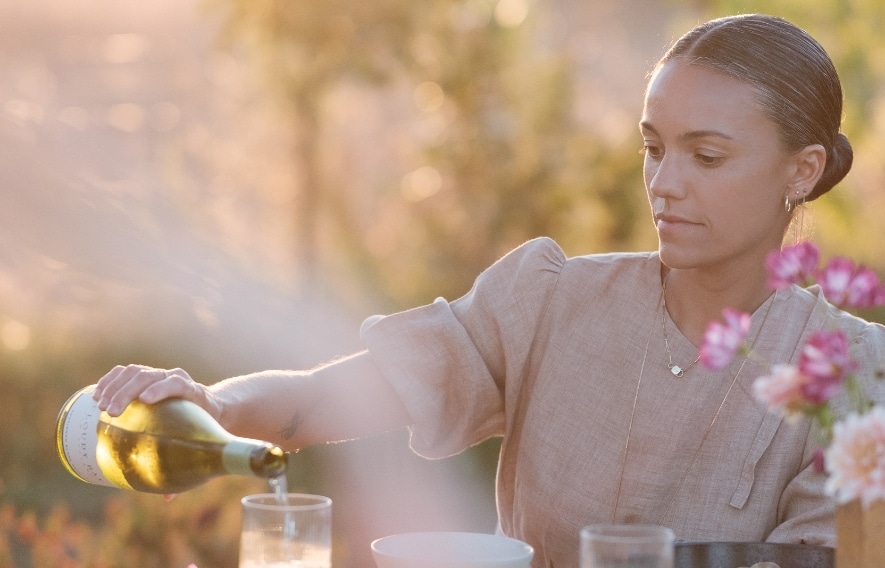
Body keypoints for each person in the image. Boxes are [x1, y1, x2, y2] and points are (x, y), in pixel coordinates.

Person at [93, 13, 885, 568]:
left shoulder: (854, 378)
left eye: (705, 157)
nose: (663, 184)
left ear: (801, 170)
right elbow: (329, 397)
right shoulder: (548, 302)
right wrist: (211, 407)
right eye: (652, 148)